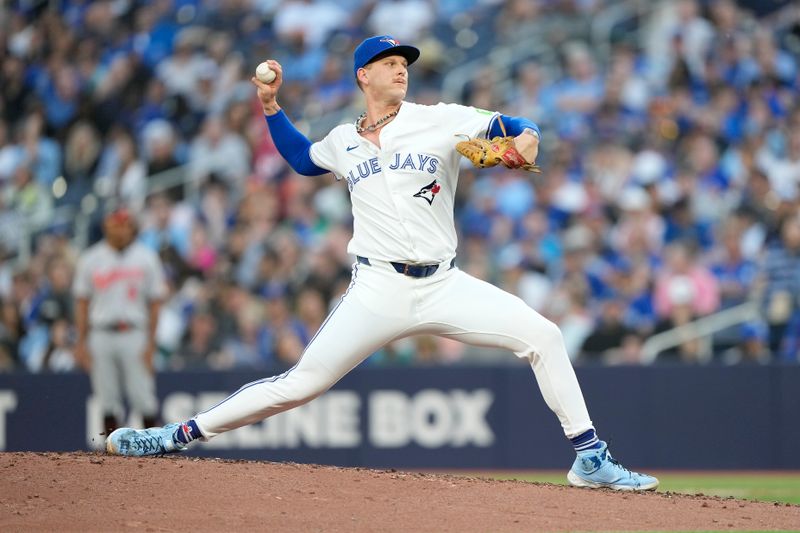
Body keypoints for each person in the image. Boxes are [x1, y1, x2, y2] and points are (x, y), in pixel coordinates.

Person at [106, 36, 658, 491]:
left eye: (404, 64)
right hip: (376, 287)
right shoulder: (344, 140)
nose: (401, 71)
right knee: (300, 385)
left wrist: (526, 141)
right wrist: (271, 108)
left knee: (545, 335)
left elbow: (517, 126)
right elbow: (301, 159)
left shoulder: (440, 119)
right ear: (362, 77)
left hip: (443, 283)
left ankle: (589, 458)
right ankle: (172, 436)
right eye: (389, 64)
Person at [73, 207, 168, 436]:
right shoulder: (91, 258)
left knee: (143, 395)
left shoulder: (146, 257)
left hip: (134, 332)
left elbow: (155, 303)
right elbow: (82, 303)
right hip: (101, 332)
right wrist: (81, 342)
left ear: (131, 227)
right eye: (116, 224)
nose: (121, 229)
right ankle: (112, 454)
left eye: (125, 224)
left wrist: (151, 343)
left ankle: (155, 449)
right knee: (106, 398)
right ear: (107, 226)